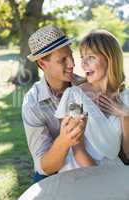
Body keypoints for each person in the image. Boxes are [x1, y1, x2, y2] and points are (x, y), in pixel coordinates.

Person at [22, 25, 92, 183]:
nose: (72, 64)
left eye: (71, 56)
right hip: (53, 170)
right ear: (42, 64)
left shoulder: (84, 86)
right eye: (62, 60)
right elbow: (44, 167)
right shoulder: (32, 103)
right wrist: (65, 139)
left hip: (88, 160)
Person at [55, 29, 129, 172]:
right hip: (82, 169)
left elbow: (127, 154)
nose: (83, 64)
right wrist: (101, 179)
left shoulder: (125, 97)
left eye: (91, 57)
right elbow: (78, 151)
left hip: (114, 169)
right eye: (82, 57)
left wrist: (125, 115)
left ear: (110, 58)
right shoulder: (75, 96)